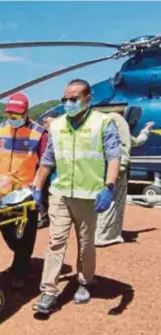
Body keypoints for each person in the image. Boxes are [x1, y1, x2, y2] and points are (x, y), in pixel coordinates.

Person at [31, 79, 121, 314]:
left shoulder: (103, 123)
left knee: (85, 244)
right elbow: (48, 160)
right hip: (60, 193)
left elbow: (113, 156)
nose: (68, 103)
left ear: (88, 98)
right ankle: (49, 291)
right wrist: (37, 187)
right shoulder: (57, 125)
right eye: (65, 99)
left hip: (88, 195)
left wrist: (109, 186)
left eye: (74, 98)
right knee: (55, 241)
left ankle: (84, 281)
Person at [0, 92, 48, 288]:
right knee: (4, 225)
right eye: (9, 114)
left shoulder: (39, 133)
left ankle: (21, 269)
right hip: (3, 189)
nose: (12, 118)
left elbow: (45, 163)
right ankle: (21, 257)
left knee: (28, 230)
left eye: (17, 115)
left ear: (26, 112)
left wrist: (37, 187)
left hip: (26, 190)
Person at [96, 114, 154, 246]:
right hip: (118, 169)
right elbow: (134, 142)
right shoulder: (119, 127)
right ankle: (104, 236)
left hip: (104, 169)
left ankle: (103, 233)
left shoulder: (106, 130)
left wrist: (146, 130)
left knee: (107, 201)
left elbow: (136, 141)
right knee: (113, 203)